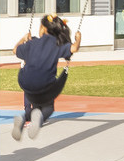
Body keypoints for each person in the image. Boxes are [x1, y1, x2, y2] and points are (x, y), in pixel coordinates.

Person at [10, 14, 82, 142]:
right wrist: (78, 38)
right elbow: (74, 48)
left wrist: (23, 39)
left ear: (43, 28)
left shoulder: (32, 43)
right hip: (45, 86)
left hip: (26, 83)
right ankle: (39, 119)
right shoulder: (57, 45)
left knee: (35, 107)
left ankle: (22, 118)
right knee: (48, 108)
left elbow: (15, 50)